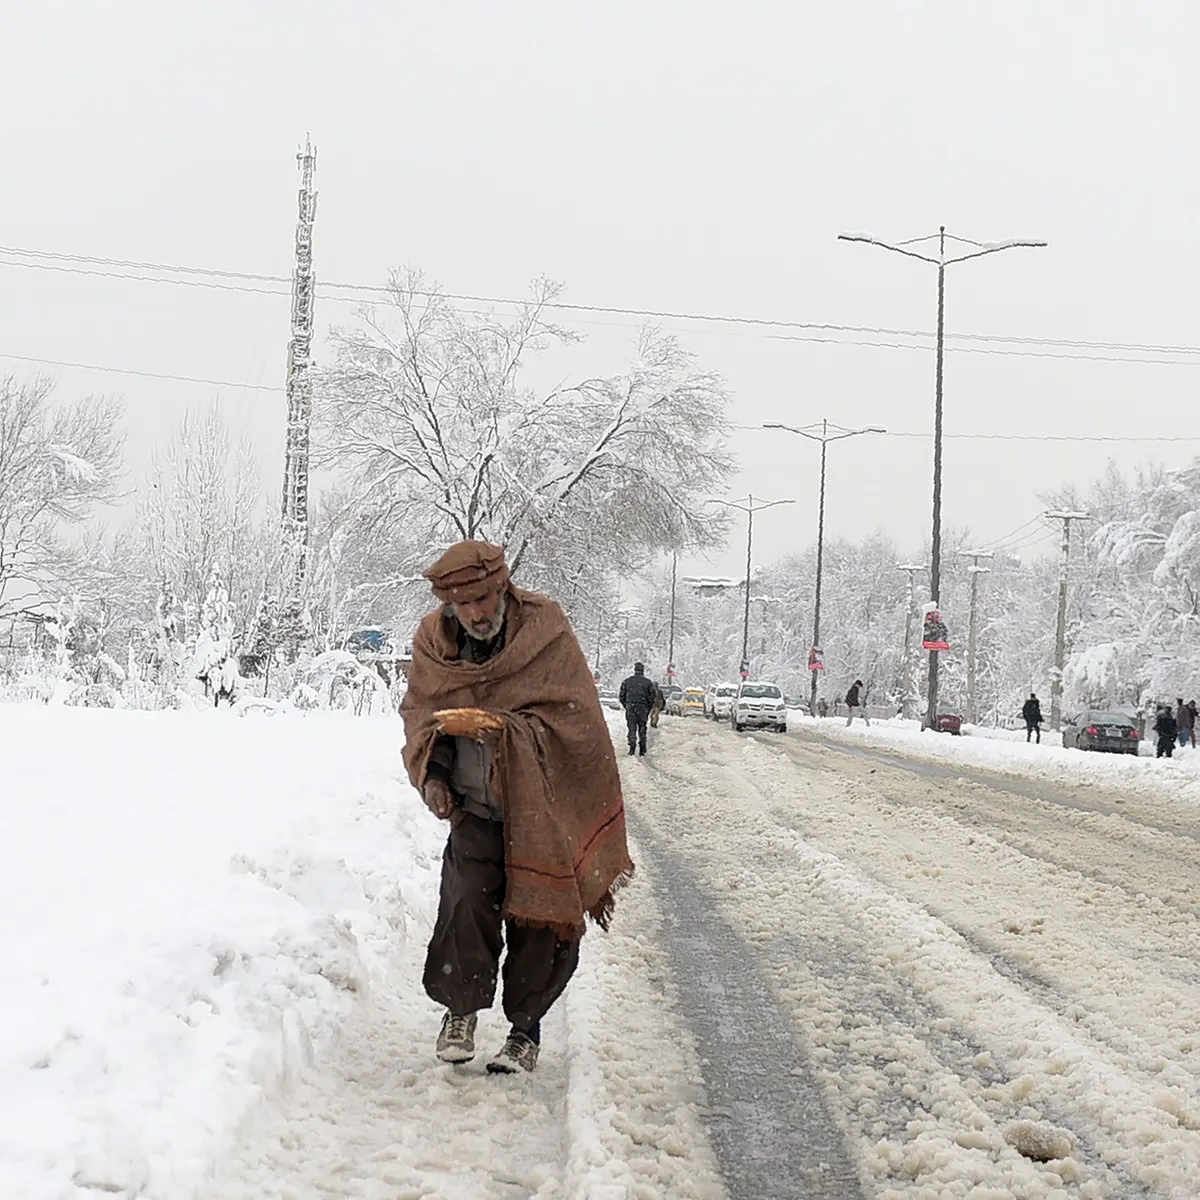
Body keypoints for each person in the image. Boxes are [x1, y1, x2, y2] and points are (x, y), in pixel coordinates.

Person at [401, 540, 634, 1074]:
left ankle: (525, 1030)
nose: (478, 613)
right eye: (465, 605)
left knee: (540, 918)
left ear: (502, 585)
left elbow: (575, 718)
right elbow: (422, 715)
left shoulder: (544, 629)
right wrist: (435, 778)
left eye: (484, 598)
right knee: (464, 904)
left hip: (542, 813)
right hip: (475, 808)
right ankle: (460, 1012)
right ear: (449, 606)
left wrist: (508, 729)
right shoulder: (435, 646)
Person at [619, 662, 658, 755]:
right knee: (642, 727)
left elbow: (621, 696)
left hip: (631, 706)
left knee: (631, 726)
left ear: (635, 670)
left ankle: (632, 745)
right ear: (643, 671)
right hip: (642, 707)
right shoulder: (648, 683)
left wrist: (627, 705)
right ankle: (642, 748)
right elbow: (652, 697)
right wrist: (647, 707)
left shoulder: (627, 681)